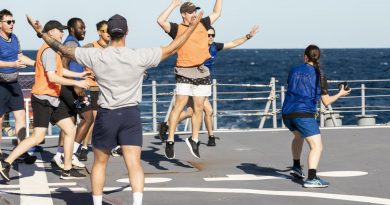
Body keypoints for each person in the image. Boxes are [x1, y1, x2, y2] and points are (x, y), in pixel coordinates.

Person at [26, 11, 202, 205]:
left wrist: (41, 33)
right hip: (130, 116)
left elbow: (63, 50)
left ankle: (97, 203)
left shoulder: (95, 55)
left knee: (100, 163)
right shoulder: (140, 56)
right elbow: (173, 47)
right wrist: (193, 27)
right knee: (134, 164)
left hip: (107, 115)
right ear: (127, 32)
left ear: (108, 33)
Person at [0, 20, 90, 182]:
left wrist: (80, 75)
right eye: (59, 31)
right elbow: (53, 76)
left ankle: (67, 169)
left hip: (52, 99)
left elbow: (60, 70)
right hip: (43, 99)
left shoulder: (53, 50)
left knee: (70, 129)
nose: (62, 33)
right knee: (37, 136)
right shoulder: (49, 50)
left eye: (63, 31)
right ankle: (6, 163)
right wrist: (77, 83)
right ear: (50, 33)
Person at [159, 25, 259, 146]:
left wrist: (248, 36)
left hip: (202, 83)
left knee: (192, 112)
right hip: (191, 81)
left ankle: (168, 125)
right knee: (208, 110)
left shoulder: (214, 47)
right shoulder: (194, 46)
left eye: (213, 35)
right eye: (208, 35)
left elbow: (232, 43)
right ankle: (209, 136)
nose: (211, 37)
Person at [157, 0, 222, 159]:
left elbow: (217, 13)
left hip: (201, 71)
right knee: (179, 106)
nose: (194, 14)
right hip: (184, 71)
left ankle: (194, 140)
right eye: (191, 12)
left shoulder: (203, 23)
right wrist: (172, 5)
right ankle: (170, 140)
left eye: (195, 11)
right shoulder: (176, 28)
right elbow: (160, 21)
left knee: (198, 108)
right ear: (183, 14)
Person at [281, 45, 351, 188]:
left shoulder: (294, 70)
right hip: (303, 115)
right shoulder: (320, 74)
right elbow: (326, 102)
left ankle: (296, 167)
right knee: (317, 147)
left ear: (305, 57)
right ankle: (311, 178)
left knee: (298, 136)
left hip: (287, 113)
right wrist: (340, 94)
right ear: (318, 57)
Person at [51, 17, 91, 169]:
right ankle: (71, 154)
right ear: (72, 29)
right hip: (72, 87)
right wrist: (78, 88)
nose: (84, 31)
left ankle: (59, 154)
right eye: (81, 28)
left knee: (71, 122)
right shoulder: (72, 44)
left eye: (84, 27)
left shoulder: (70, 42)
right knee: (88, 118)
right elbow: (68, 65)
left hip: (66, 86)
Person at [0, 9, 37, 163]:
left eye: (13, 21)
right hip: (1, 85)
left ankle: (21, 150)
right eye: (8, 22)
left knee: (21, 117)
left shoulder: (15, 38)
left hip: (14, 84)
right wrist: (12, 64)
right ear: (0, 24)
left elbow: (21, 57)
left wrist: (37, 64)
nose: (12, 24)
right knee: (0, 120)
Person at [78, 20, 110, 161]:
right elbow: (77, 60)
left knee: (107, 118)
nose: (108, 33)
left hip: (107, 87)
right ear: (99, 32)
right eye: (105, 31)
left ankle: (112, 144)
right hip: (92, 87)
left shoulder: (112, 48)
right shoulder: (89, 47)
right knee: (91, 119)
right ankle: (84, 147)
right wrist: (87, 72)